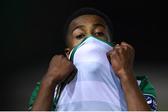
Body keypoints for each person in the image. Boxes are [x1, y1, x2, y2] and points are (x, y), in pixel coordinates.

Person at [28, 8, 157, 111]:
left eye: (99, 33)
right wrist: (50, 79)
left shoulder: (139, 85)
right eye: (79, 35)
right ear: (68, 53)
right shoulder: (51, 87)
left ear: (112, 46)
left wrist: (126, 73)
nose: (90, 40)